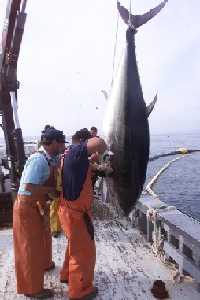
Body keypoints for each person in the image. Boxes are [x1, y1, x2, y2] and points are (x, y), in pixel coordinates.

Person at [13, 127, 65, 299]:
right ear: (55, 142)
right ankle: (32, 289)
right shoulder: (39, 160)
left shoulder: (48, 158)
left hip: (35, 205)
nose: (63, 146)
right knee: (30, 249)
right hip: (26, 207)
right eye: (62, 142)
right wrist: (51, 190)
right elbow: (28, 187)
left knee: (42, 239)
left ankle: (44, 264)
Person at [59, 132, 107, 300]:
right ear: (83, 142)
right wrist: (106, 149)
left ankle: (66, 275)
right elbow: (100, 143)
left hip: (67, 210)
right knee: (83, 253)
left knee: (74, 247)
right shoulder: (76, 152)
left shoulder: (68, 155)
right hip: (77, 215)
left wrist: (93, 162)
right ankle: (79, 290)